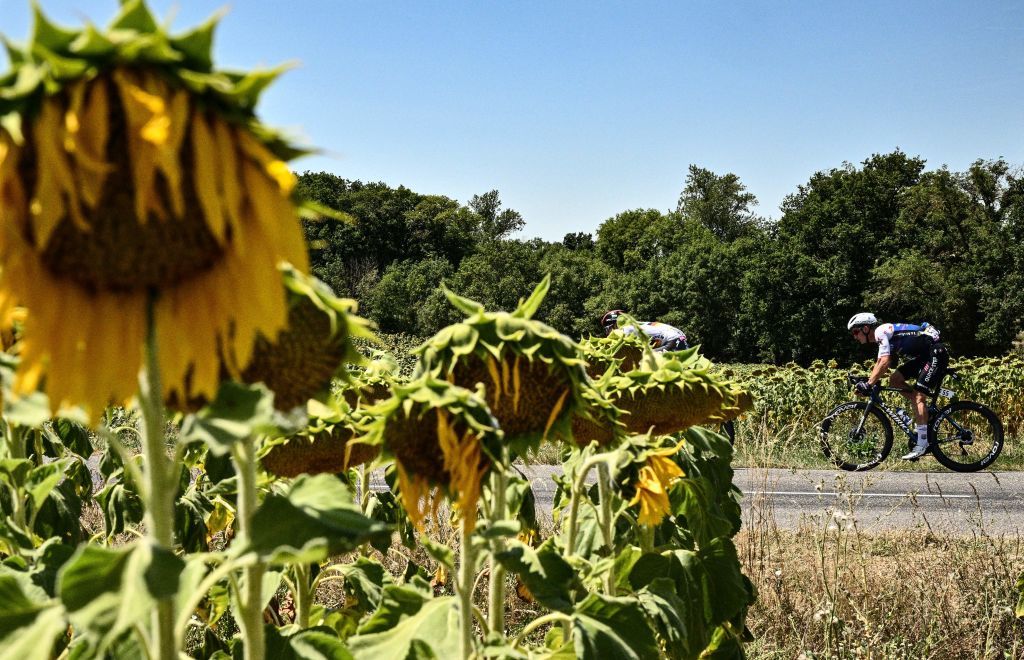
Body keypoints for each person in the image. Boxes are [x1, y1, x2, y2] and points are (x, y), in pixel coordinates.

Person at [847, 312, 949, 460]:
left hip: (935, 353)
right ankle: (923, 413)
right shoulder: (881, 337)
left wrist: (869, 384)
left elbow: (885, 362)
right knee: (894, 380)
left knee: (919, 397)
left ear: (866, 328)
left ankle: (922, 443)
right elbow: (879, 363)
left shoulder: (880, 331)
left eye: (856, 332)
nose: (855, 336)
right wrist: (868, 381)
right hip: (925, 356)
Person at [600, 309, 689, 352]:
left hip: (673, 340)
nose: (608, 333)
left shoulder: (626, 330)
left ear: (615, 324)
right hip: (676, 336)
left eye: (608, 329)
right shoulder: (633, 325)